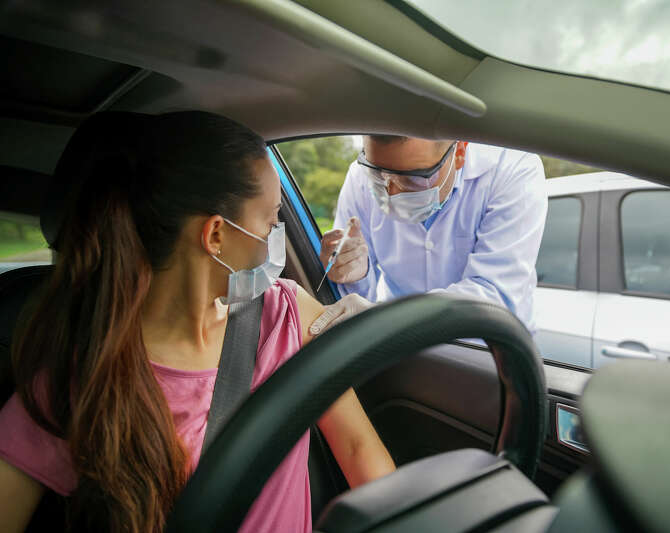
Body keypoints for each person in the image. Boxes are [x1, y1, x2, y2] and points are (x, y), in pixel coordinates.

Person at [0, 112, 395, 533]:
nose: (276, 231)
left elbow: (359, 452)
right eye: (269, 219)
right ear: (216, 236)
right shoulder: (82, 376)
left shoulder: (287, 316)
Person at [310, 136, 547, 335]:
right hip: (399, 347)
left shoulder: (512, 170)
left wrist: (383, 317)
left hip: (486, 354)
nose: (391, 193)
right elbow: (351, 303)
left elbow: (493, 298)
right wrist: (356, 273)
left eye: (412, 178)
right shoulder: (360, 177)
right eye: (379, 175)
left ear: (460, 151)